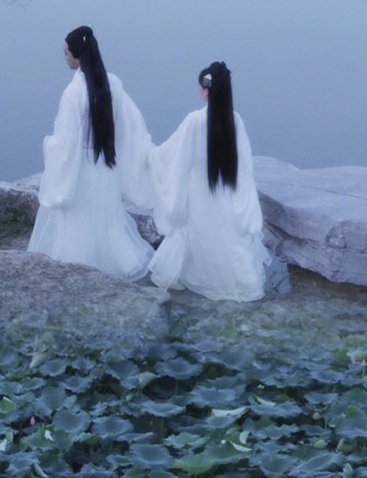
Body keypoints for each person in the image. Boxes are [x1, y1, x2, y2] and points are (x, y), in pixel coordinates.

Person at [27, 26, 155, 280]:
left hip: (82, 172)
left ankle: (81, 269)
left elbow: (66, 146)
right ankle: (109, 264)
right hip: (105, 167)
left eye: (66, 53)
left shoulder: (73, 93)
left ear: (77, 56)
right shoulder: (112, 83)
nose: (64, 58)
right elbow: (131, 124)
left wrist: (49, 144)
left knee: (79, 222)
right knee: (105, 220)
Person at [148, 61, 267, 301]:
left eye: (201, 87)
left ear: (206, 89)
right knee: (228, 242)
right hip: (224, 195)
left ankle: (188, 276)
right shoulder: (235, 120)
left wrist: (151, 156)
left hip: (198, 196)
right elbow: (244, 167)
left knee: (189, 237)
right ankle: (240, 283)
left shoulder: (194, 120)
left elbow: (175, 156)